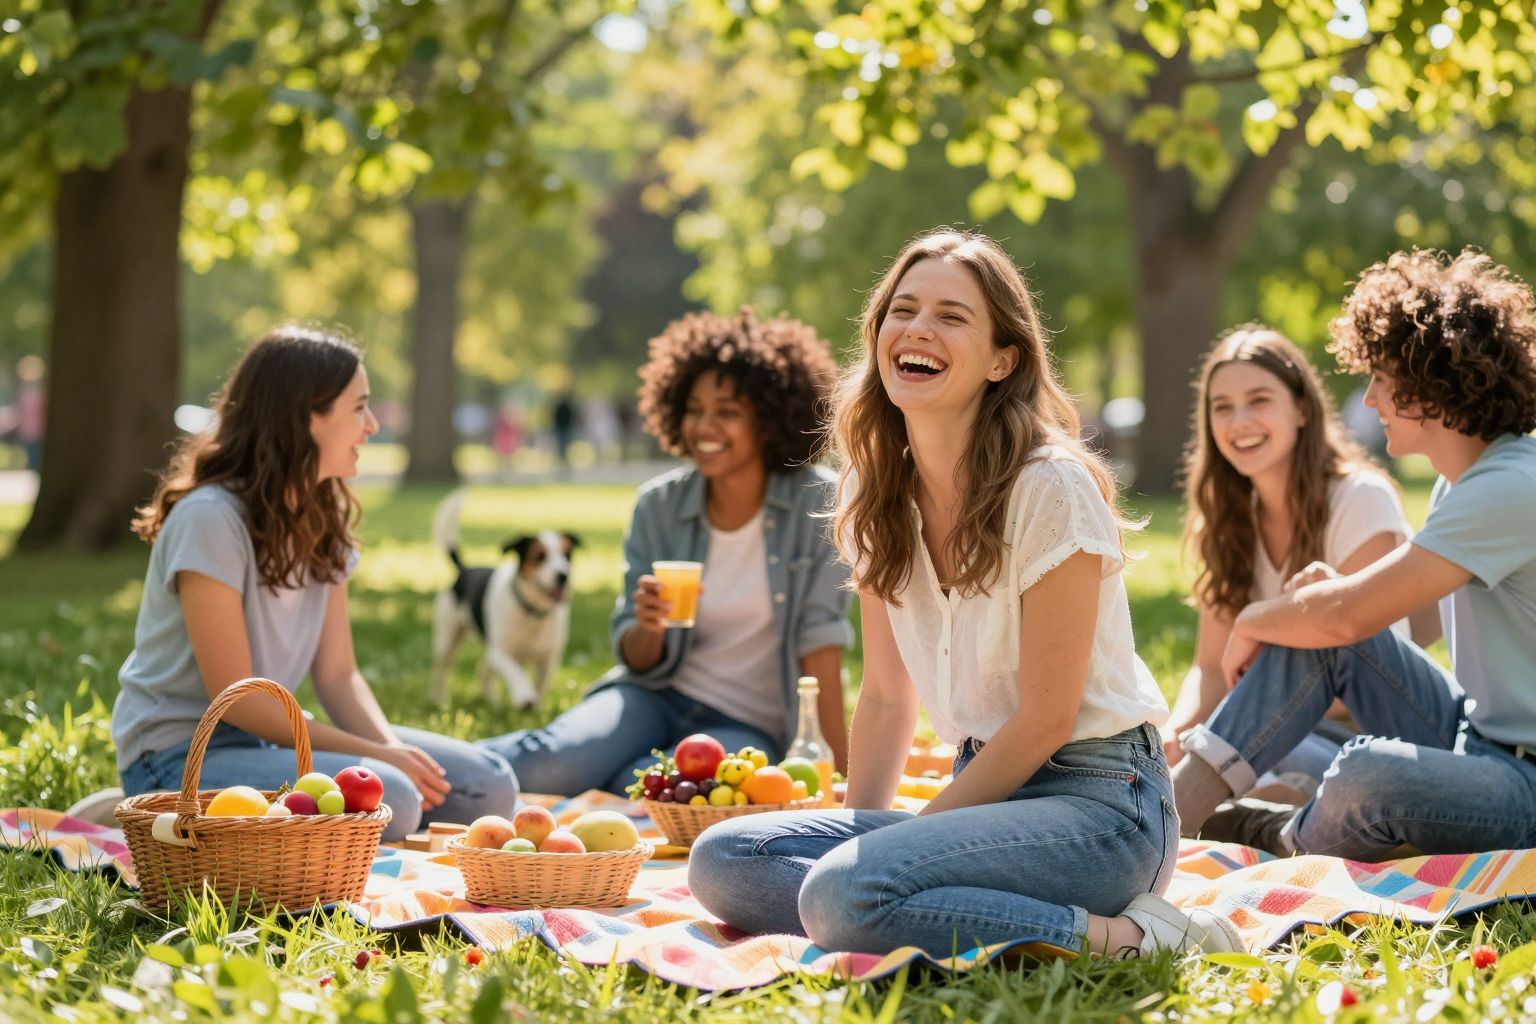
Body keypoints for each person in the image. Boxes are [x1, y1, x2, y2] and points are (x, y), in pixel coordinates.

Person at [687, 229, 1239, 959]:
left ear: (1001, 359)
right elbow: (885, 696)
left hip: (1103, 807)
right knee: (722, 860)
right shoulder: (871, 488)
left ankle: (1133, 938)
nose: (918, 329)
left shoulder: (1049, 486)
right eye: (903, 310)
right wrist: (864, 838)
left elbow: (1047, 718)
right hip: (986, 797)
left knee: (838, 893)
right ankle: (893, 906)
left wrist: (880, 860)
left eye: (952, 316)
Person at [1171, 249, 1536, 859]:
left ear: (1432, 383)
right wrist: (1319, 603)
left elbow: (1347, 613)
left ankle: (1281, 834)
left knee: (1367, 773)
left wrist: (1255, 618)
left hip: (1524, 782)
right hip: (1476, 735)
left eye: (1383, 379)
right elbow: (1343, 621)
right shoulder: (1463, 482)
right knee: (1318, 631)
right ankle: (1162, 822)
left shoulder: (1509, 486)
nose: (1369, 400)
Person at [113, 325, 518, 842]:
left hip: (270, 747)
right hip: (179, 757)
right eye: (359, 408)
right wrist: (381, 764)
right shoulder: (210, 520)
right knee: (390, 796)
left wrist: (396, 753)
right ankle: (142, 808)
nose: (372, 425)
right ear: (306, 417)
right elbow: (237, 699)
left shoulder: (322, 517)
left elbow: (338, 675)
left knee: (488, 786)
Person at [480, 309, 853, 795]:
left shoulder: (820, 505)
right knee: (550, 765)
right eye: (694, 409)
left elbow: (819, 646)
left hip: (749, 722)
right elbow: (636, 656)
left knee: (690, 794)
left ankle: (614, 778)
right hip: (652, 694)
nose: (704, 426)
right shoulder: (659, 505)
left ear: (767, 417)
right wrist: (649, 625)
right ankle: (420, 767)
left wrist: (845, 778)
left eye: (727, 411)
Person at [1164, 326, 1435, 805]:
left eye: (1259, 400)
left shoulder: (1359, 500)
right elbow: (1209, 667)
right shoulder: (1228, 522)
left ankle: (1245, 806)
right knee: (1179, 750)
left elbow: (1368, 663)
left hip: (1373, 737)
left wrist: (1239, 713)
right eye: (1222, 407)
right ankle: (1264, 807)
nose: (1239, 421)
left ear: (1303, 409)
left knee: (1243, 756)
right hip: (1270, 734)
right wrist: (1177, 731)